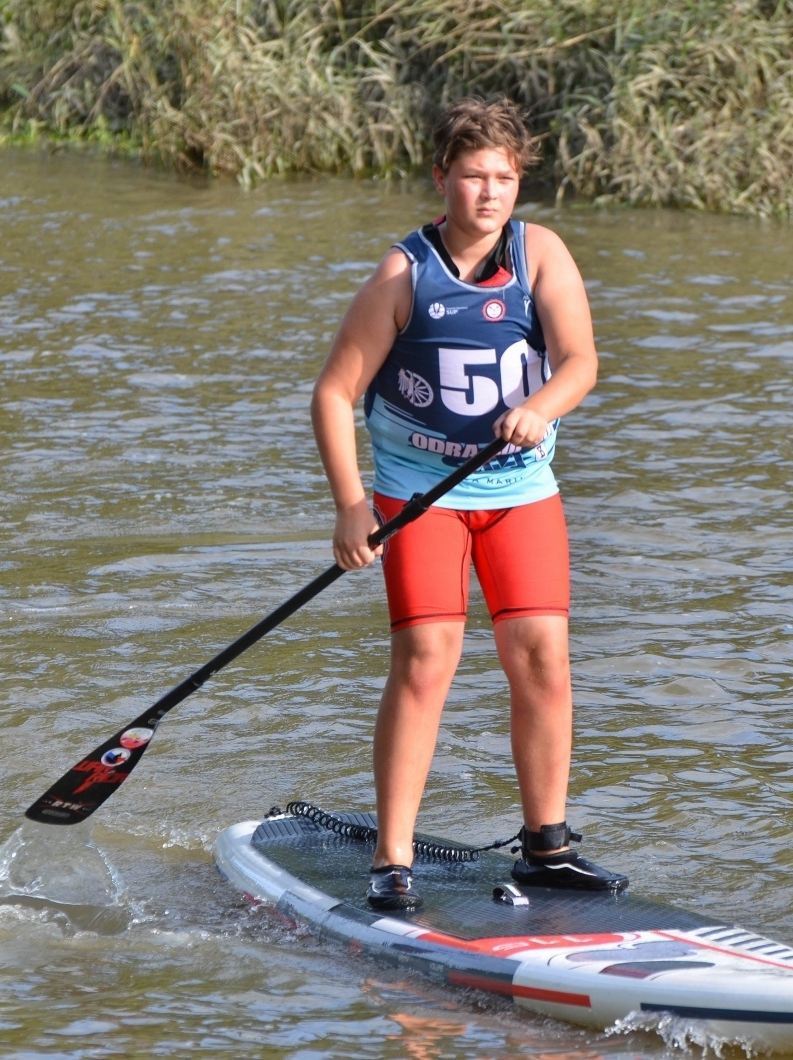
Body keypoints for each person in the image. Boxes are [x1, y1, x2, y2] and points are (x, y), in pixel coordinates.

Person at [310, 98, 627, 911]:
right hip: (419, 495)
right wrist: (352, 507)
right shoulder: (401, 276)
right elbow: (334, 393)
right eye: (473, 176)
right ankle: (391, 860)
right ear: (440, 178)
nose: (490, 193)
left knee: (542, 659)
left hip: (519, 490)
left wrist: (543, 406)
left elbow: (582, 361)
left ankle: (547, 848)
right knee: (426, 663)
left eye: (505, 178)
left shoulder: (541, 254)